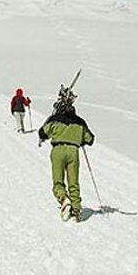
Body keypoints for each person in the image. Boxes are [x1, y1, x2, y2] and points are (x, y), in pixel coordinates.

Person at [37, 89, 95, 221]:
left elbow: (42, 133)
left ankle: (63, 198)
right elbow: (90, 139)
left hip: (58, 150)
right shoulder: (80, 122)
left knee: (58, 181)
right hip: (73, 151)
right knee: (73, 182)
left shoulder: (54, 119)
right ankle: (76, 211)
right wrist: (79, 138)